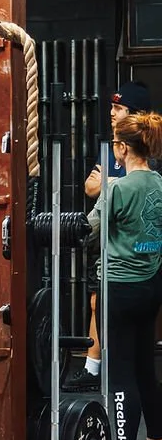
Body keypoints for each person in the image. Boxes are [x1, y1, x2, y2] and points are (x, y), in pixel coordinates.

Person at [88, 109, 162, 440]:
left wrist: (97, 192)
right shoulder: (161, 185)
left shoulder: (116, 188)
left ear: (121, 148)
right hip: (152, 287)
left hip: (118, 288)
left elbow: (89, 231)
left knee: (120, 373)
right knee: (146, 367)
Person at [68, 81, 151, 393]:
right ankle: (93, 367)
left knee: (115, 314)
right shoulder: (114, 148)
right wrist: (110, 185)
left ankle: (106, 371)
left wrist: (110, 185)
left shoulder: (145, 155)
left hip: (137, 252)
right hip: (113, 245)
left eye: (119, 108)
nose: (112, 113)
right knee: (96, 301)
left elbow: (113, 189)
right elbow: (91, 187)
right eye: (112, 107)